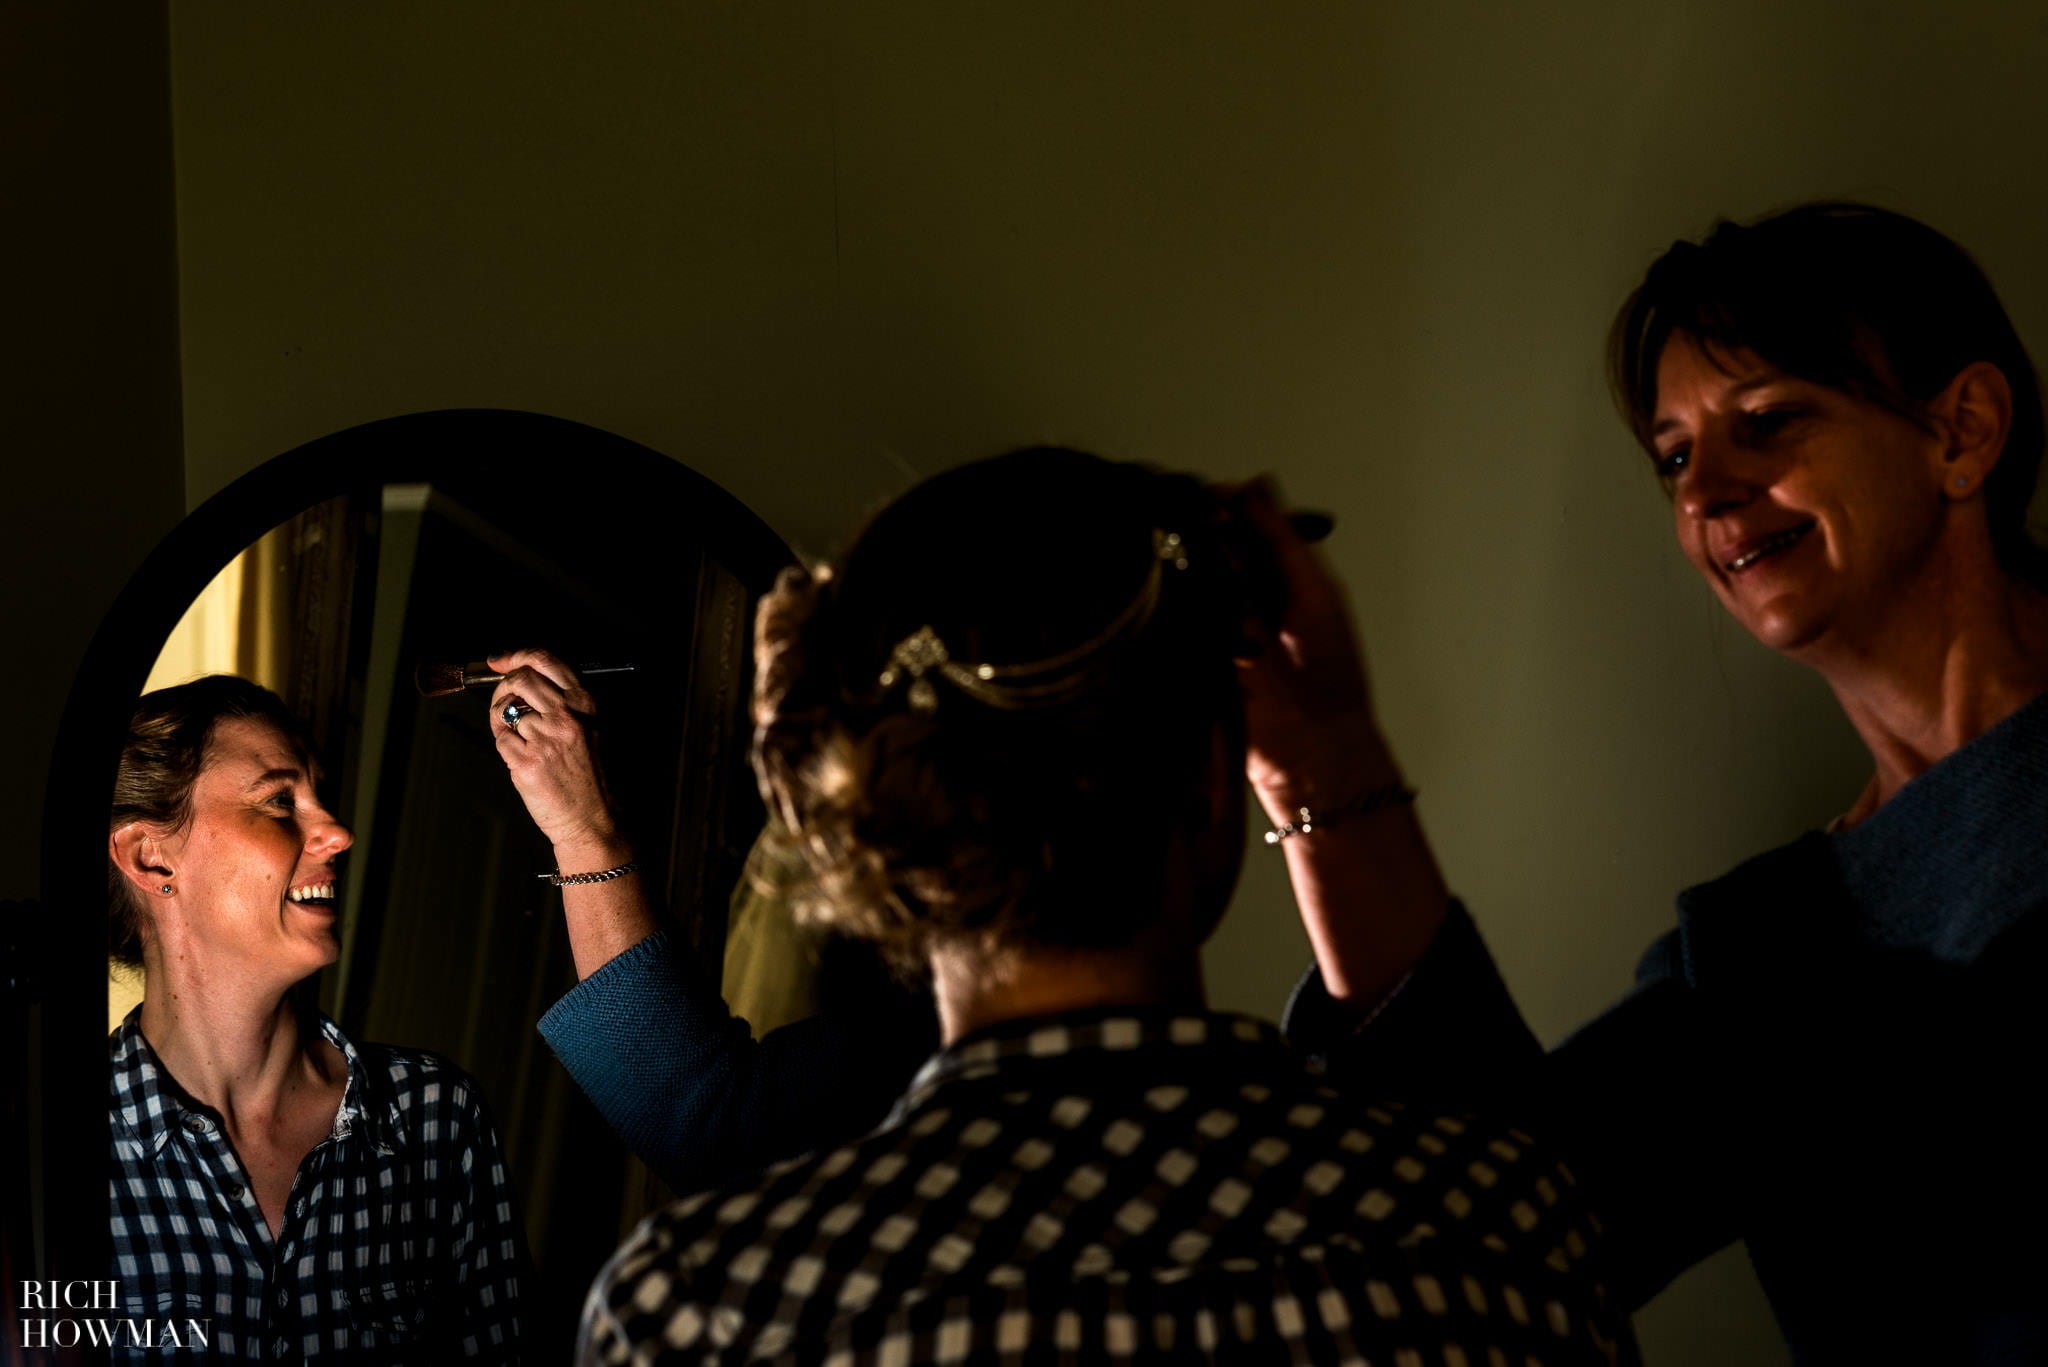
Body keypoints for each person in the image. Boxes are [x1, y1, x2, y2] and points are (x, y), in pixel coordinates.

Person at [571, 449, 1630, 1363]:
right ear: (1215, 778)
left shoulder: (703, 1312)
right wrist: (1326, 751)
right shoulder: (1492, 1224)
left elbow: (696, 1113)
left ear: (883, 832)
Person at [1271, 202, 2048, 1363]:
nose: (1704, 493)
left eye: (1768, 420)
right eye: (1675, 455)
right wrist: (1319, 756)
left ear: (1961, 430)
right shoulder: (1761, 955)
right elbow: (1489, 1231)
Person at [106, 675, 527, 1363]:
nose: (336, 831)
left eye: (316, 796)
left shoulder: (436, 1120)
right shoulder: (50, 1150)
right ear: (152, 856)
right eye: (279, 800)